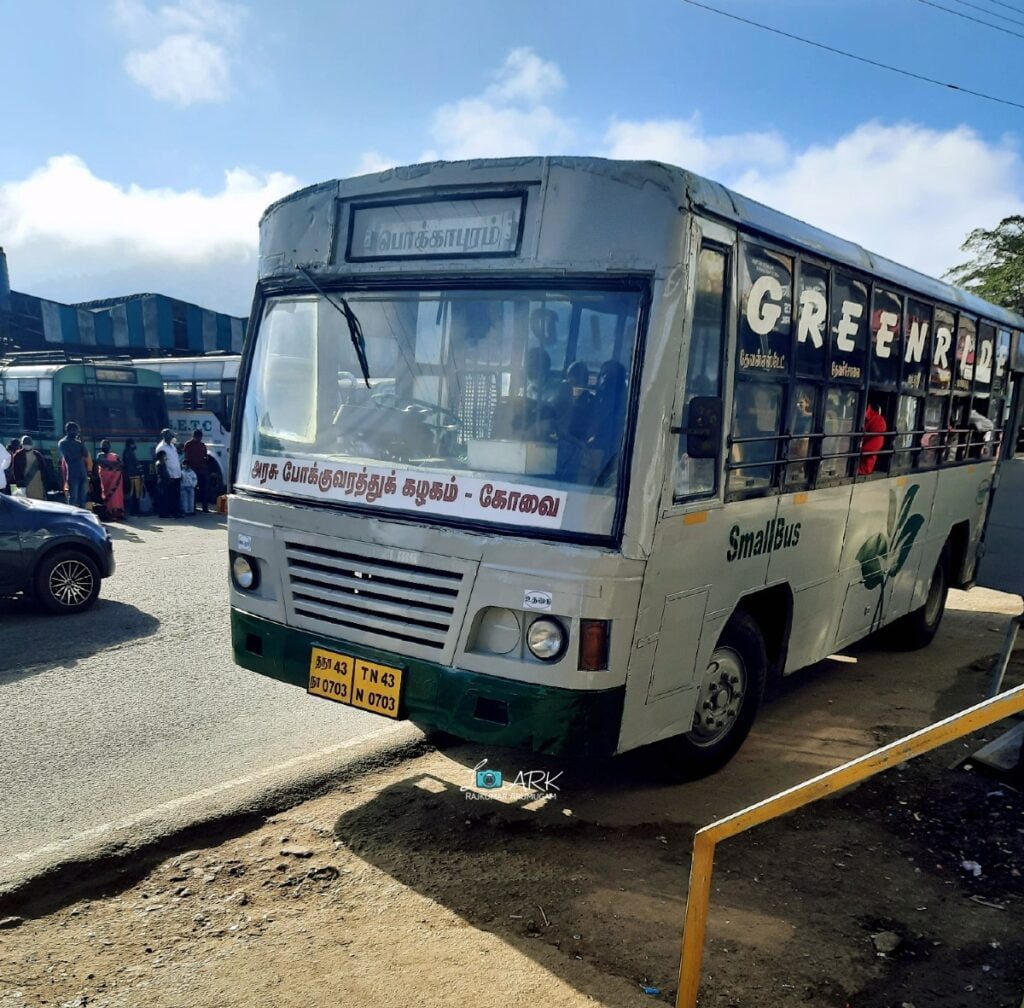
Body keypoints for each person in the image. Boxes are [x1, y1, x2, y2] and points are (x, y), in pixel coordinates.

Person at [58, 421, 90, 508]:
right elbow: (69, 458)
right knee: (73, 499)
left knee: (83, 499)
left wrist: (82, 443)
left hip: (82, 474)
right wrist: (79, 454)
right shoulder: (63, 443)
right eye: (74, 430)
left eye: (77, 431)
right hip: (73, 474)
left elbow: (86, 454)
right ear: (68, 430)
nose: (76, 433)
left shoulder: (78, 443)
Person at [155, 428, 183, 518]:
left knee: (175, 495)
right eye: (171, 436)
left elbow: (175, 460)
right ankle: (167, 513)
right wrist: (168, 476)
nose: (172, 437)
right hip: (169, 476)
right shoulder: (161, 447)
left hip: (177, 474)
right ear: (167, 437)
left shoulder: (172, 445)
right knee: (167, 496)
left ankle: (175, 512)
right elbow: (162, 463)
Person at [96, 439, 125, 521]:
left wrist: (110, 465)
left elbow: (121, 464)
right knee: (108, 494)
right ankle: (110, 513)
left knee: (117, 495)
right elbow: (102, 462)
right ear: (101, 447)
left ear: (109, 446)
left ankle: (119, 513)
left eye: (107, 445)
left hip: (116, 478)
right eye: (103, 445)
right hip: (106, 478)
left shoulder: (115, 455)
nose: (105, 446)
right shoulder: (100, 455)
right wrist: (114, 465)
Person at [182, 429, 210, 513]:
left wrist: (206, 459)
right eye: (198, 437)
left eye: (200, 437)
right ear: (194, 436)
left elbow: (205, 456)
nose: (199, 439)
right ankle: (192, 507)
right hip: (193, 470)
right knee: (192, 488)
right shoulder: (188, 444)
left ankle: (205, 508)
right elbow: (186, 456)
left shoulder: (202, 445)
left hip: (202, 469)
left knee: (204, 488)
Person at [858, 403, 887, 476]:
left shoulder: (878, 421)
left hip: (862, 467)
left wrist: (852, 451)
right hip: (843, 465)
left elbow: (874, 446)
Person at [122, 438, 142, 515]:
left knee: (132, 494)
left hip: (129, 475)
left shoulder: (126, 452)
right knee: (135, 494)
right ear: (131, 444)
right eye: (133, 443)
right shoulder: (130, 453)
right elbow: (134, 463)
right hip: (133, 475)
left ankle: (133, 511)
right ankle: (135, 511)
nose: (135, 445)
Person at [154, 448, 173, 519]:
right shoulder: (161, 463)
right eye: (164, 455)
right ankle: (164, 514)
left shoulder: (158, 462)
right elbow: (164, 473)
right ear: (161, 456)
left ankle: (163, 513)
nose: (165, 457)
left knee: (162, 498)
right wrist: (169, 479)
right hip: (163, 482)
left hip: (161, 481)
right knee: (164, 499)